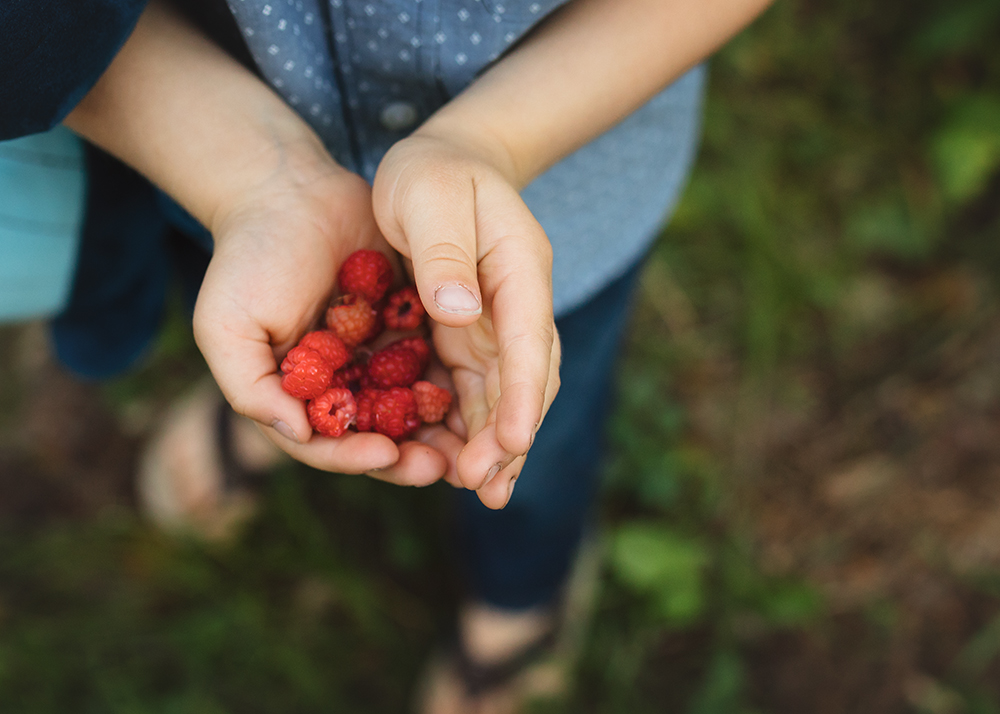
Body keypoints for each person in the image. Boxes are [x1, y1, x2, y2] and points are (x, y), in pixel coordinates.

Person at [2, 0, 772, 710]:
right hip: (222, 158)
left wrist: (493, 139)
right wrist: (247, 180)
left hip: (562, 191)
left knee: (533, 438)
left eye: (342, 384)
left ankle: (519, 595)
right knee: (268, 321)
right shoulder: (335, 298)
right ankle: (274, 405)